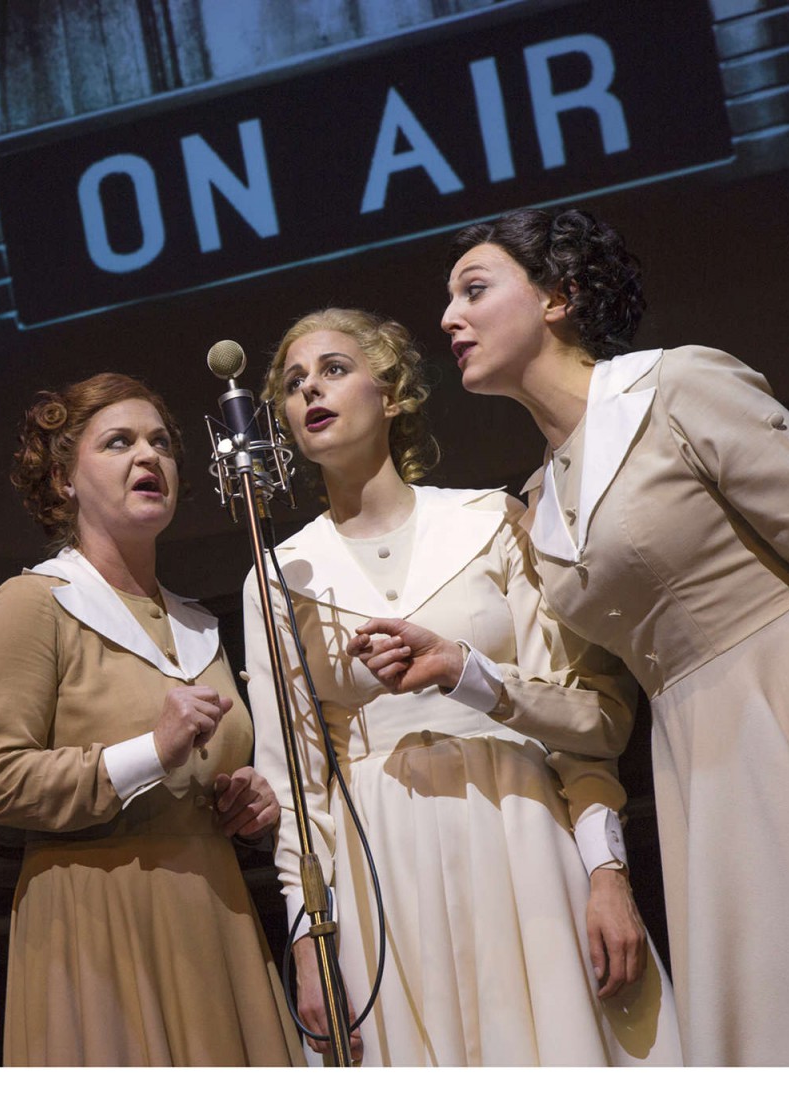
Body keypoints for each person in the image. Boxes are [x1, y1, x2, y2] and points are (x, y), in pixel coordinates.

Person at [406, 206, 789, 1063]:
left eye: (474, 289)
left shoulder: (676, 389)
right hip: (695, 765)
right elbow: (603, 719)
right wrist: (468, 674)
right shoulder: (537, 504)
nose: (449, 320)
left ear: (559, 297)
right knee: (784, 1021)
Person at [242, 308, 680, 1066]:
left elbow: (583, 717)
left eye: (334, 369)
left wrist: (607, 872)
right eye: (292, 383)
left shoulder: (487, 520)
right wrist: (311, 940)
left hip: (518, 826)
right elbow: (296, 783)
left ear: (393, 392)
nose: (310, 389)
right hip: (382, 857)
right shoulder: (281, 575)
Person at [0, 372, 301, 1066]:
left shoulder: (199, 623)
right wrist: (153, 749)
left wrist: (250, 805)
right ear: (63, 480)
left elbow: (214, 780)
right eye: (119, 443)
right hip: (100, 927)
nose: (149, 458)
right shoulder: (33, 605)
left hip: (217, 916)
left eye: (161, 444)